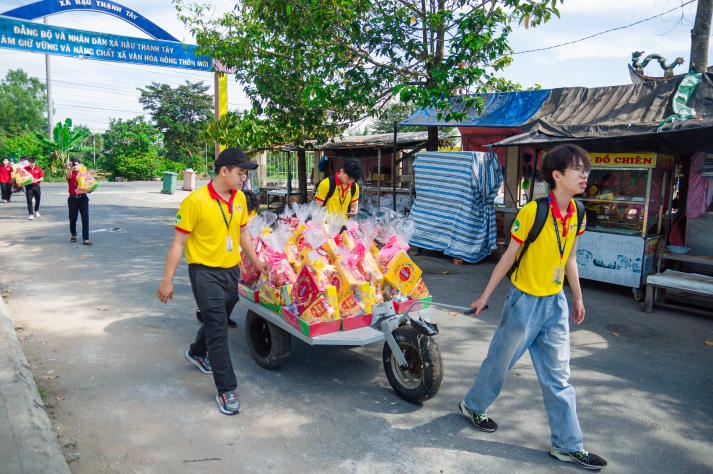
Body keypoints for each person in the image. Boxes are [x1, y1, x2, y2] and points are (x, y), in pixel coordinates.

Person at [459, 144, 607, 471]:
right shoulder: (533, 212)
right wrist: (485, 297)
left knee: (559, 377)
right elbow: (508, 257)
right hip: (523, 301)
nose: (585, 175)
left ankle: (567, 446)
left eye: (586, 169)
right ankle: (472, 405)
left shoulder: (579, 212)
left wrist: (577, 297)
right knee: (500, 362)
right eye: (577, 169)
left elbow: (569, 256)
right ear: (557, 175)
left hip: (555, 303)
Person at [157, 148, 267, 416]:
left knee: (218, 316)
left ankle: (196, 352)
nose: (243, 179)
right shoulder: (195, 201)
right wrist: (166, 280)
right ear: (224, 170)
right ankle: (226, 389)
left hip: (230, 271)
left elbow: (242, 233)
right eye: (240, 173)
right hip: (204, 272)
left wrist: (255, 262)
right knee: (218, 329)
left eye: (245, 174)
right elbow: (178, 242)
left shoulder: (239, 199)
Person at [65, 158, 92, 245]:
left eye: (77, 164)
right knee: (73, 218)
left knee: (85, 218)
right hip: (73, 198)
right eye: (74, 165)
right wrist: (69, 168)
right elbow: (68, 176)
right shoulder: (71, 174)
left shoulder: (84, 174)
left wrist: (90, 188)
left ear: (80, 165)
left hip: (83, 198)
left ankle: (86, 238)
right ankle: (73, 234)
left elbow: (90, 184)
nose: (76, 166)